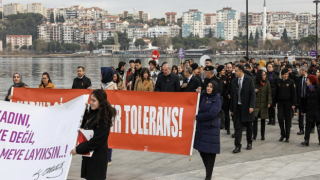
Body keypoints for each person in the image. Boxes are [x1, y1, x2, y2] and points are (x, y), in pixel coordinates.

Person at [71, 89, 116, 180]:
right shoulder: (93, 114)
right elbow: (83, 127)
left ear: (101, 102)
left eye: (94, 100)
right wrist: (84, 113)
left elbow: (95, 141)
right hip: (90, 158)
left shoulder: (104, 119)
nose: (91, 102)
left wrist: (78, 149)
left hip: (97, 159)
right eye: (91, 99)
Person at [194, 81, 221, 180]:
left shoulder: (217, 99)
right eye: (208, 86)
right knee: (202, 150)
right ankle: (208, 170)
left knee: (210, 152)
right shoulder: (204, 96)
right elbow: (193, 96)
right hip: (201, 127)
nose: (209, 88)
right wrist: (196, 91)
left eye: (211, 87)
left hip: (211, 127)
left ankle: (208, 175)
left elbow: (212, 113)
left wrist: (198, 117)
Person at [230, 64, 255, 153]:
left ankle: (249, 142)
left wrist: (251, 106)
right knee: (237, 127)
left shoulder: (249, 79)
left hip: (247, 107)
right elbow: (232, 95)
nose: (234, 72)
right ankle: (237, 145)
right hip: (238, 108)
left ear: (241, 71)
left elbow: (253, 94)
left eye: (236, 70)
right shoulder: (233, 81)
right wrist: (232, 109)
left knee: (249, 126)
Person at [273, 68, 297, 142]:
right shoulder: (279, 82)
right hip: (280, 102)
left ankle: (287, 136)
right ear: (282, 75)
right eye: (285, 74)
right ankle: (282, 134)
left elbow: (294, 94)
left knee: (287, 120)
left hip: (288, 103)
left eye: (287, 74)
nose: (286, 75)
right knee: (280, 118)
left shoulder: (291, 82)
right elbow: (276, 93)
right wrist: (274, 103)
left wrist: (294, 104)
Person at [301, 75, 320, 146]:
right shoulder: (309, 88)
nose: (306, 82)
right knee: (308, 125)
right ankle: (306, 140)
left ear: (311, 81)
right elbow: (305, 100)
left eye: (308, 80)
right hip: (309, 110)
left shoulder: (318, 88)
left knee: (318, 125)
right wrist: (303, 111)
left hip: (317, 110)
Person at [253, 70, 272, 140]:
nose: (265, 76)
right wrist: (254, 90)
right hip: (256, 104)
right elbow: (250, 91)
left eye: (265, 75)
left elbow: (269, 93)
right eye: (263, 75)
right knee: (254, 121)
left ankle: (262, 135)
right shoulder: (255, 83)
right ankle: (254, 135)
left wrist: (269, 102)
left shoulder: (267, 83)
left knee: (263, 121)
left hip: (264, 104)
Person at [217, 65, 231, 134]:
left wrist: (225, 94)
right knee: (218, 113)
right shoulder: (216, 78)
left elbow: (228, 88)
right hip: (218, 98)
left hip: (225, 98)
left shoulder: (226, 78)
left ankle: (227, 128)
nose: (224, 71)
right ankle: (220, 125)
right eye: (222, 70)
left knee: (226, 113)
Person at [296, 66, 308, 135]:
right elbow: (297, 89)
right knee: (300, 115)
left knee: (309, 115)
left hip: (308, 99)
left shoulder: (309, 78)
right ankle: (301, 129)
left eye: (300, 70)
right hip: (301, 99)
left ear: (304, 71)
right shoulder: (299, 79)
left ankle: (310, 128)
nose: (299, 72)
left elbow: (312, 89)